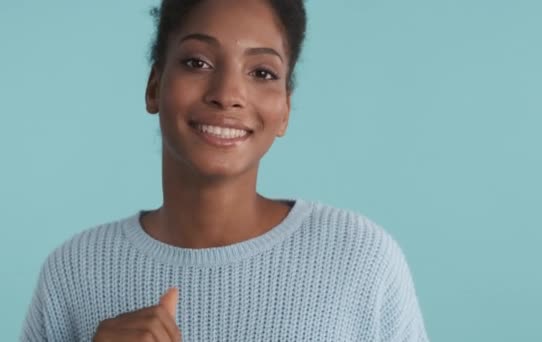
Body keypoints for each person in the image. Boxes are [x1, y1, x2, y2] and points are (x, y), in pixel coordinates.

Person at [20, 0, 429, 341]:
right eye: (197, 62)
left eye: (262, 73)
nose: (227, 95)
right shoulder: (74, 271)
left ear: (284, 109)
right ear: (153, 86)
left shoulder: (361, 260)